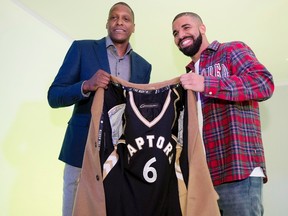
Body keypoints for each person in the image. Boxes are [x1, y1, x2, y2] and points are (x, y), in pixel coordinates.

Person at [47, 2, 151, 216]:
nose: (119, 22)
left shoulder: (143, 66)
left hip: (121, 157)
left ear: (133, 27)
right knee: (74, 210)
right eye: (114, 17)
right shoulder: (82, 49)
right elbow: (54, 96)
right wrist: (86, 85)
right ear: (107, 23)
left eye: (125, 18)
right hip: (81, 151)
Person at [172, 12, 274, 216]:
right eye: (175, 33)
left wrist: (207, 84)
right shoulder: (189, 75)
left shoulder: (230, 50)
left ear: (202, 28)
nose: (180, 35)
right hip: (203, 177)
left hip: (237, 170)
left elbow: (264, 83)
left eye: (186, 27)